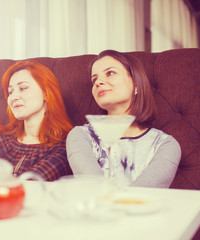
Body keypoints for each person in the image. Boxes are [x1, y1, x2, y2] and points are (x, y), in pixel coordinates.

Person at [66, 50, 181, 188]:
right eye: (94, 79)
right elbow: (95, 190)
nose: (98, 82)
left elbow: (143, 196)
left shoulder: (165, 145)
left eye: (110, 73)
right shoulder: (80, 136)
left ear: (136, 83)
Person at [0, 60, 73, 181]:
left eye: (23, 88)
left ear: (46, 93)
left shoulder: (63, 147)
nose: (13, 97)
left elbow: (28, 185)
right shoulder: (2, 140)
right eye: (10, 92)